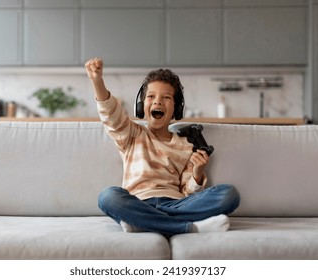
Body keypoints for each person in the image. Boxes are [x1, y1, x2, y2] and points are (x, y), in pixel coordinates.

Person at [85, 58, 240, 236]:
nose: (158, 102)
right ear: (141, 105)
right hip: (137, 201)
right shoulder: (131, 134)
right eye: (151, 96)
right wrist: (97, 80)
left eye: (166, 98)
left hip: (176, 203)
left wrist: (197, 173)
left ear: (176, 108)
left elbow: (188, 193)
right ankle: (189, 227)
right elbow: (111, 113)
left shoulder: (186, 145)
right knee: (108, 196)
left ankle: (143, 222)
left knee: (229, 194)